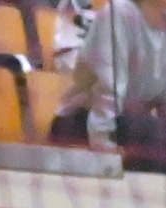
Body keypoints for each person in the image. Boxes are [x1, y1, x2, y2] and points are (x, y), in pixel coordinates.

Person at [50, 0, 166, 161]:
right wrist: (104, 144)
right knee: (153, 133)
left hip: (133, 123)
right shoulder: (118, 13)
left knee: (153, 131)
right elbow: (108, 87)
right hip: (86, 120)